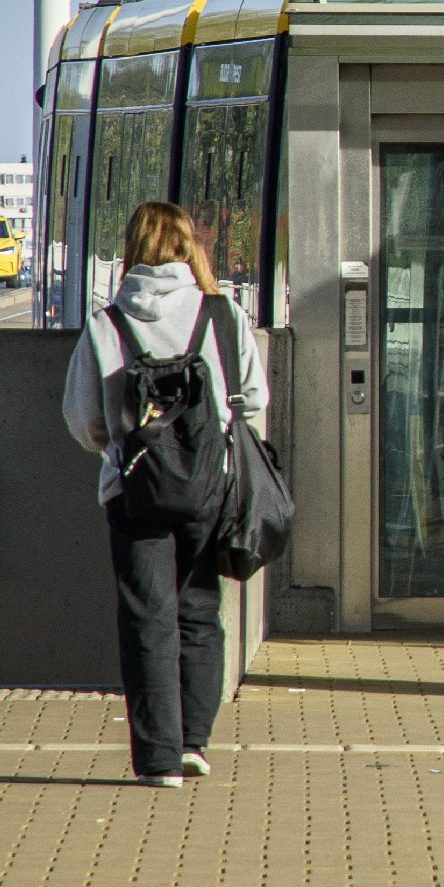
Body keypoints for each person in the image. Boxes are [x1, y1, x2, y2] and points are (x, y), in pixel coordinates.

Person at [62, 202, 267, 788]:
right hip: (209, 491)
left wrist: (126, 451)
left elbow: (84, 421)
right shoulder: (222, 316)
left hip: (134, 493)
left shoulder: (108, 324)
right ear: (190, 248)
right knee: (200, 610)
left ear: (133, 251)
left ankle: (157, 760)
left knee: (146, 618)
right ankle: (195, 742)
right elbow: (251, 399)